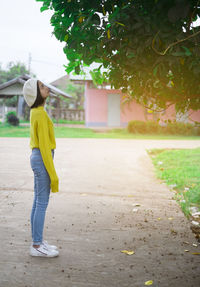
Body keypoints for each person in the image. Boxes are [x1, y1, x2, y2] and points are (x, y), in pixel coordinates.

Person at [23, 78, 59, 257]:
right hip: (42, 157)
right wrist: (54, 175)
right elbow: (45, 146)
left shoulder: (37, 112)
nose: (47, 88)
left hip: (37, 157)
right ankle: (37, 246)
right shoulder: (40, 114)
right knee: (42, 202)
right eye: (42, 86)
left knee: (38, 201)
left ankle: (37, 242)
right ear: (36, 94)